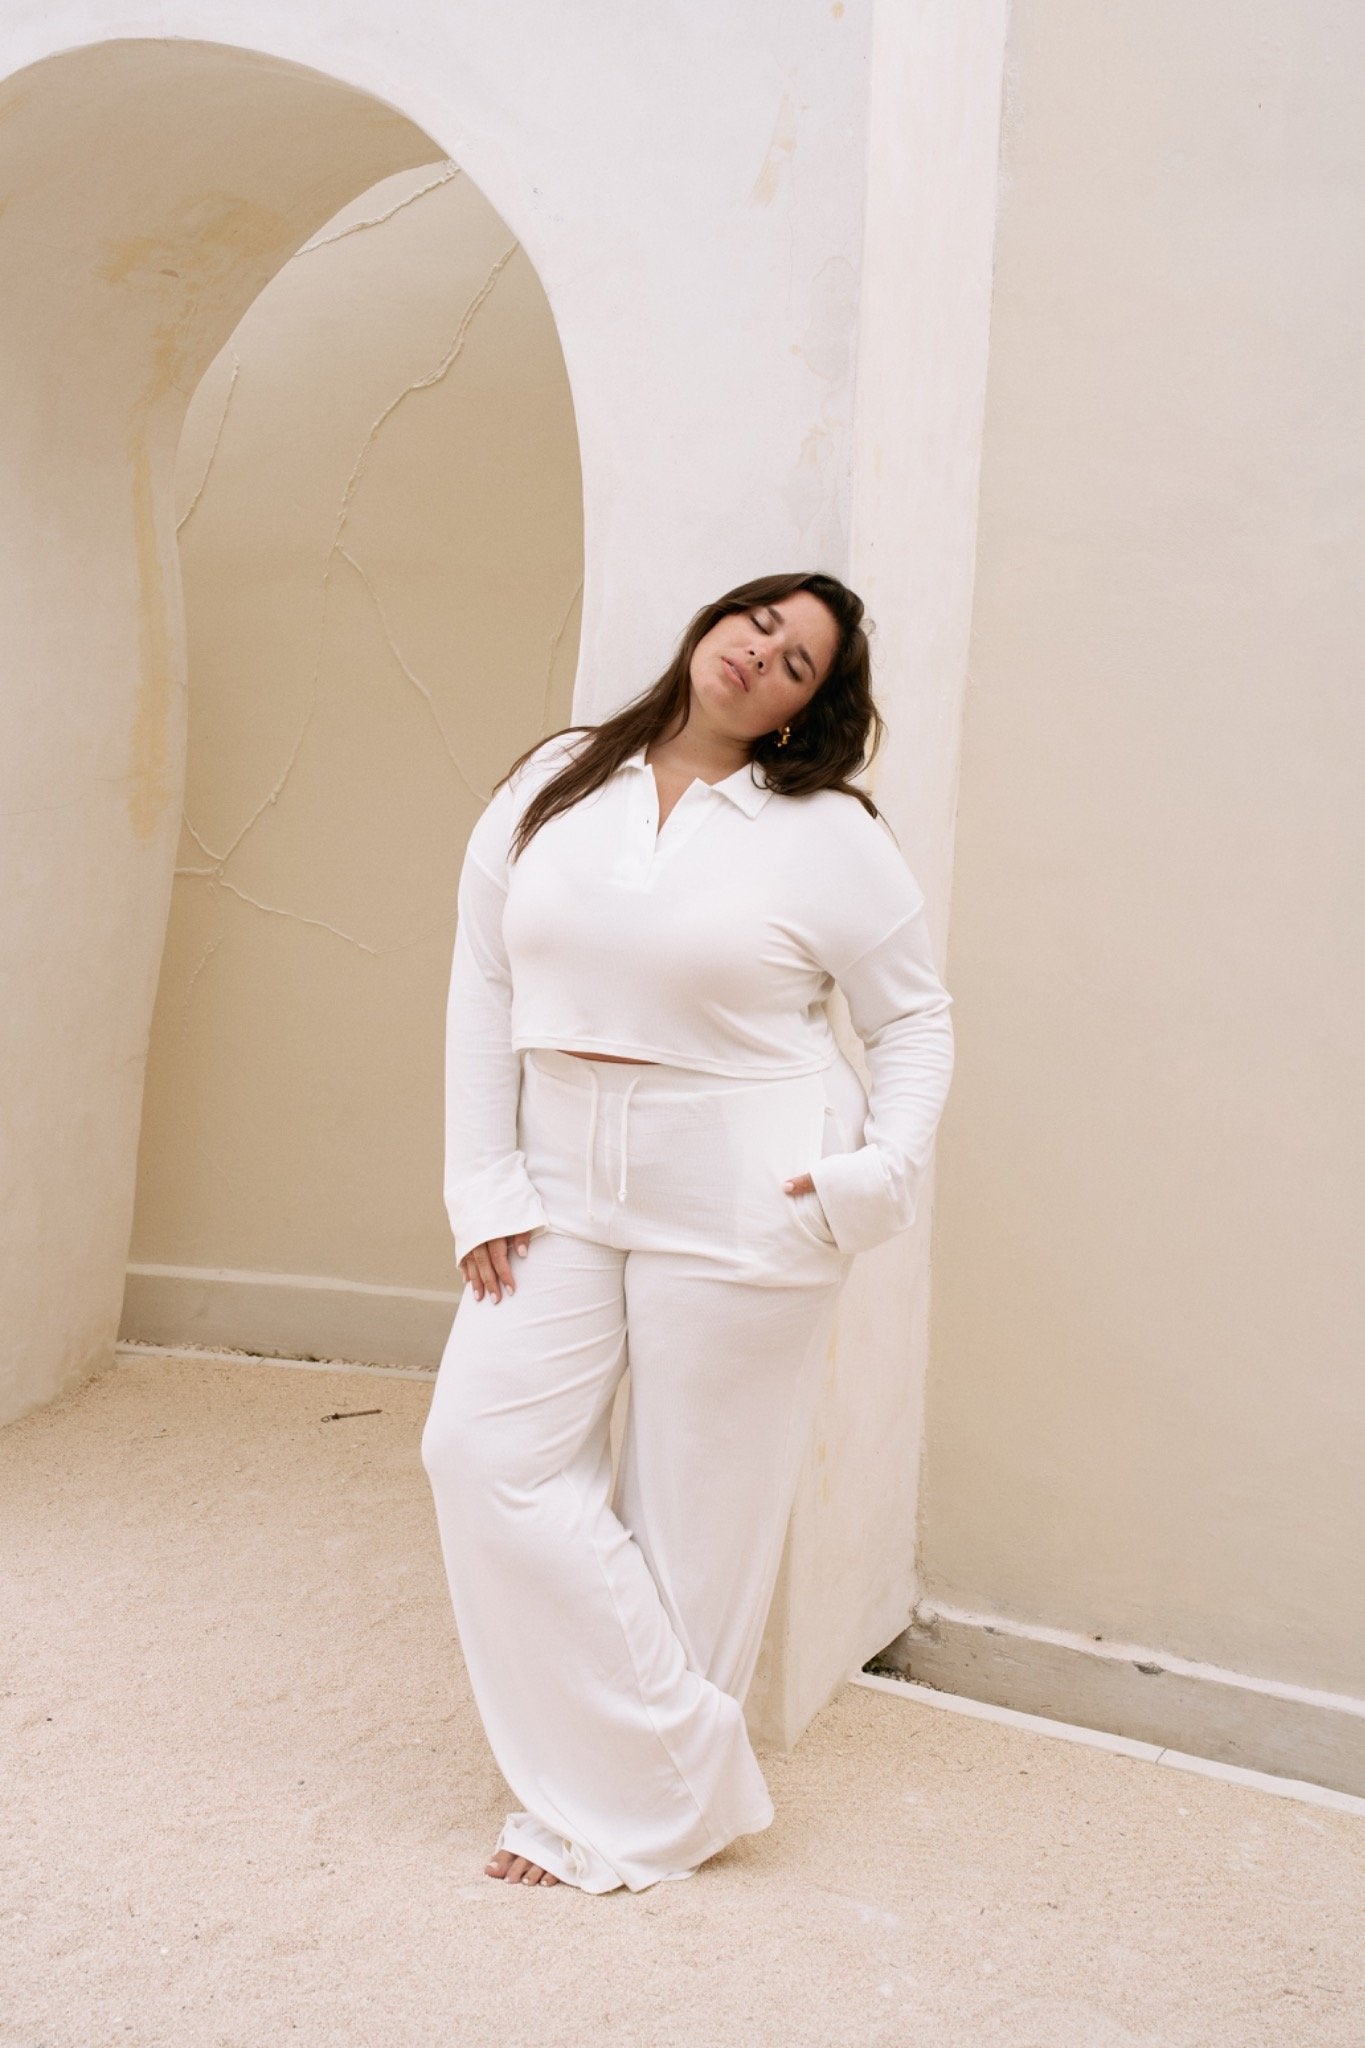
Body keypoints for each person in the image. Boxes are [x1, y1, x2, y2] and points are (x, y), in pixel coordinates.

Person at [420, 570, 955, 1893]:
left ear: (799, 715)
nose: (758, 657)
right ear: (712, 623)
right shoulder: (555, 775)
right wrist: (481, 1185)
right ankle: (676, 1777)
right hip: (554, 1174)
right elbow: (483, 985)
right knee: (481, 1457)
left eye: (794, 665)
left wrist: (875, 1180)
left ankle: (612, 1813)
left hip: (743, 1182)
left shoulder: (822, 830)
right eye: (756, 624)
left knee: (698, 1515)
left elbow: (913, 1021)